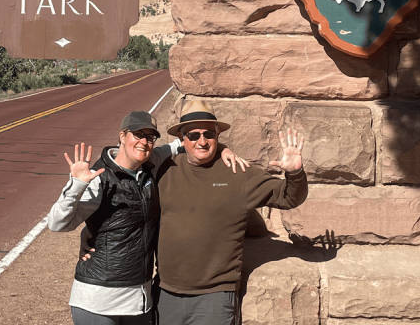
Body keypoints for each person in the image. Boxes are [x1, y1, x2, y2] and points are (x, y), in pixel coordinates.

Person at [49, 110, 247, 325]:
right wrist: (77, 185)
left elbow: (186, 142)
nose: (144, 142)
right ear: (122, 136)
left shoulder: (151, 164)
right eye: (137, 134)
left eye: (150, 137)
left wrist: (224, 148)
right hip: (99, 300)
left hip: (138, 300)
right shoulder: (99, 178)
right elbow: (58, 223)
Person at [154, 99, 308, 325]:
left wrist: (295, 173)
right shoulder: (166, 170)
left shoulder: (238, 173)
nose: (202, 141)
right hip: (166, 295)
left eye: (209, 134)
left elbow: (288, 197)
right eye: (194, 135)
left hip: (215, 298)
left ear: (218, 135)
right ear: (182, 139)